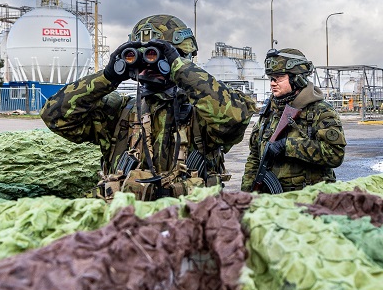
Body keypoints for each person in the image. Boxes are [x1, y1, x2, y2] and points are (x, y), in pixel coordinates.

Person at [41, 14, 257, 201]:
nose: (148, 64)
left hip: (190, 230)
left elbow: (234, 119)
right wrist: (108, 77)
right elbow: (55, 115)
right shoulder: (119, 112)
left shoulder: (201, 113)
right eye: (142, 58)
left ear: (182, 58)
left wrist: (179, 69)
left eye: (155, 57)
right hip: (126, 230)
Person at [240, 48, 346, 193]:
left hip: (308, 199)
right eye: (271, 78)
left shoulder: (320, 110)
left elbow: (335, 155)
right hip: (273, 201)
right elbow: (254, 156)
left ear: (297, 79)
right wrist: (246, 194)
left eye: (278, 78)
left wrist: (288, 146)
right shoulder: (269, 110)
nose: (272, 83)